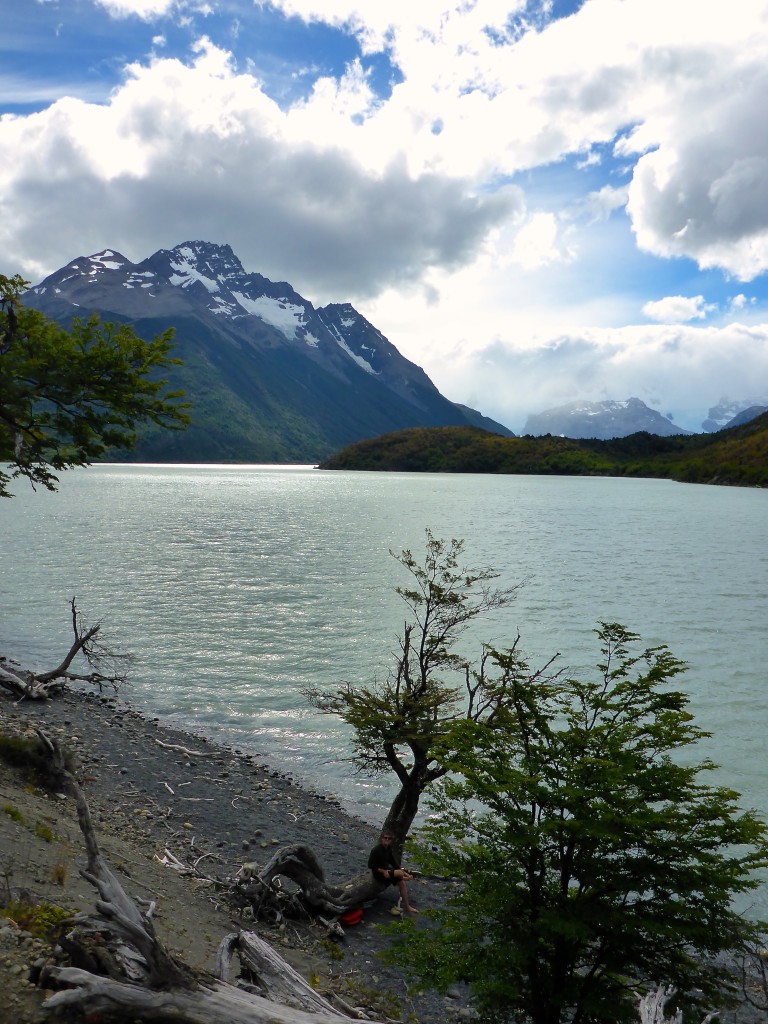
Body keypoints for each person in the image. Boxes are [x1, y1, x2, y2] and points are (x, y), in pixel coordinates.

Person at [368, 830, 418, 914]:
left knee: (402, 883)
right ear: (382, 839)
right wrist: (383, 871)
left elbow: (394, 863)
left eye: (389, 838)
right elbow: (370, 865)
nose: (387, 840)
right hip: (379, 874)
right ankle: (406, 878)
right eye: (385, 838)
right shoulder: (376, 850)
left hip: (388, 872)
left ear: (391, 840)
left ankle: (407, 906)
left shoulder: (388, 849)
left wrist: (406, 873)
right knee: (399, 873)